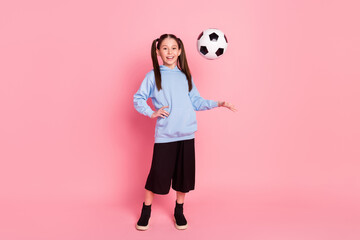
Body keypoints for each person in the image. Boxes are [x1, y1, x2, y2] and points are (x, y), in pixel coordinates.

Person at [133, 33, 237, 231]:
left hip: (187, 134)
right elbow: (138, 98)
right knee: (157, 175)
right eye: (165, 48)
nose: (170, 52)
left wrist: (219, 103)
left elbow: (196, 101)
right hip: (165, 136)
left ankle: (179, 210)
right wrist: (151, 112)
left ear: (180, 51)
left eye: (174, 48)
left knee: (184, 178)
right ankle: (146, 211)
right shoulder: (153, 76)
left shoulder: (185, 76)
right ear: (158, 51)